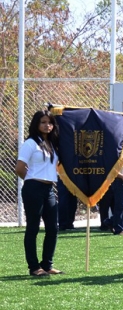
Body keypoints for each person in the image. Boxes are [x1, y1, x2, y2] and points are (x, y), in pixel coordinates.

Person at [15, 110, 62, 277]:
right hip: (33, 188)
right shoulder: (30, 143)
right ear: (36, 124)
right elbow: (20, 168)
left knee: (53, 228)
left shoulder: (52, 144)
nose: (47, 125)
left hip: (49, 190)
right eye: (43, 122)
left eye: (49, 122)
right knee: (33, 228)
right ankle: (34, 267)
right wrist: (31, 180)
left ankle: (47, 265)